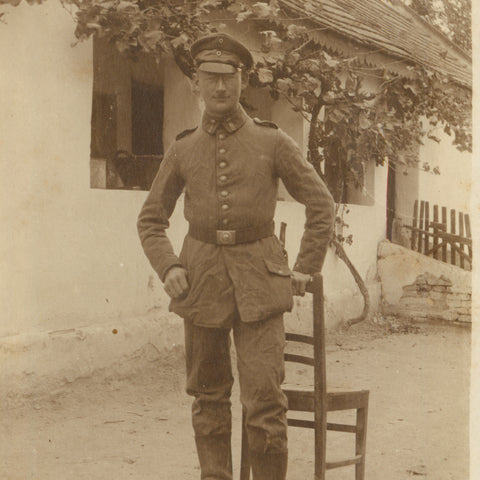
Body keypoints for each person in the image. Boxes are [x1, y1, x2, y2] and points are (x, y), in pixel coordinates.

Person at [137, 33, 335, 480]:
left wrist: (304, 267)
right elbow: (150, 219)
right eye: (210, 78)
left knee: (265, 403)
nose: (220, 88)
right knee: (207, 399)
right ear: (196, 84)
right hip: (201, 281)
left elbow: (321, 203)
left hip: (261, 285)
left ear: (243, 81)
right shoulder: (184, 148)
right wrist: (168, 266)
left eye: (228, 78)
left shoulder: (272, 141)